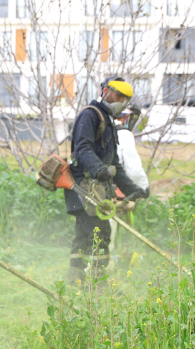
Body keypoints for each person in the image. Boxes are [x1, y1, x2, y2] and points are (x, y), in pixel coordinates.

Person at [65, 76, 149, 285]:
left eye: (125, 99)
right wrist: (99, 169)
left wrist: (133, 188)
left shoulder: (108, 122)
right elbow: (82, 148)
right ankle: (98, 285)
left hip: (96, 188)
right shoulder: (90, 115)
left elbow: (114, 165)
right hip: (84, 186)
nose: (121, 101)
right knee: (100, 234)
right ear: (105, 92)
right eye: (118, 96)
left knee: (83, 236)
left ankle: (75, 280)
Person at [109, 105, 150, 252]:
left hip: (87, 187)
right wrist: (143, 187)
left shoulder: (98, 129)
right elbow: (133, 168)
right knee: (108, 235)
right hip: (109, 189)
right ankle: (105, 262)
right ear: (125, 117)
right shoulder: (124, 134)